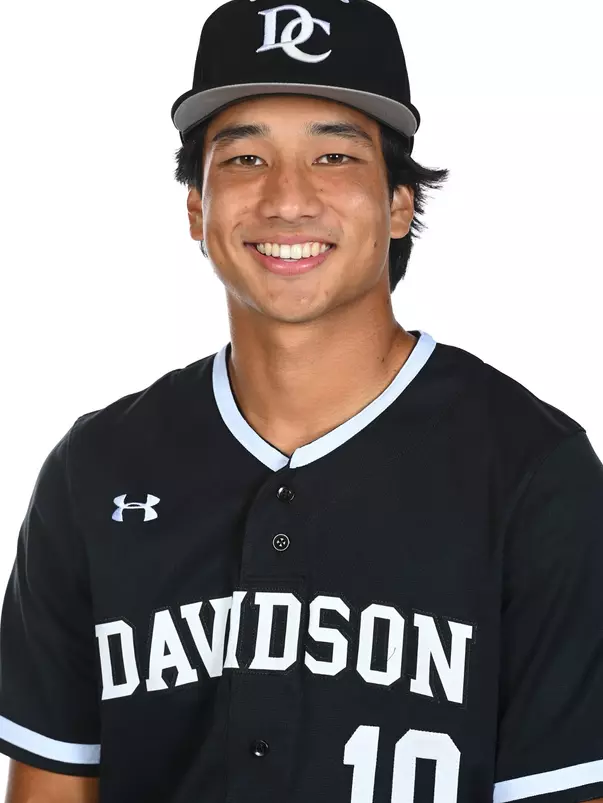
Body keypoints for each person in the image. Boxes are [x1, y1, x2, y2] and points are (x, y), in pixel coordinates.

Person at [1, 1, 603, 801]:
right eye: (244, 160)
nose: (287, 199)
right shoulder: (96, 467)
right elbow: (51, 786)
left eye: (334, 157)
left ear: (399, 204)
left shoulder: (532, 471)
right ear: (196, 208)